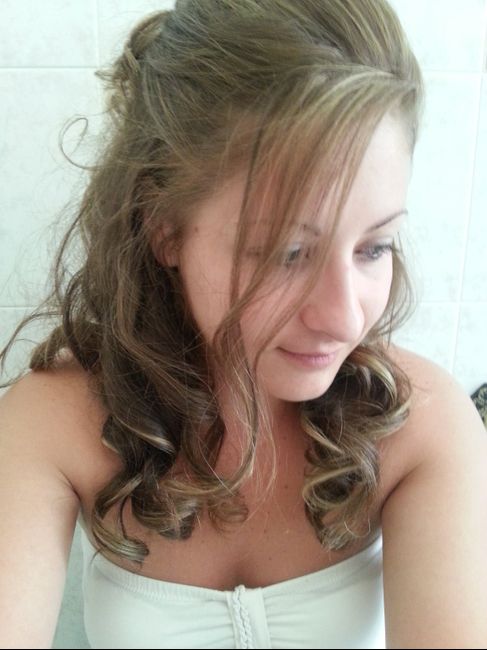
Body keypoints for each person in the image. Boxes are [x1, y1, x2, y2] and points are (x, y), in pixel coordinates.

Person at [1, 0, 486, 648]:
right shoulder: (57, 421)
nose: (344, 317)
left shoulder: (422, 425)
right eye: (288, 252)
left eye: (373, 248)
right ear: (164, 228)